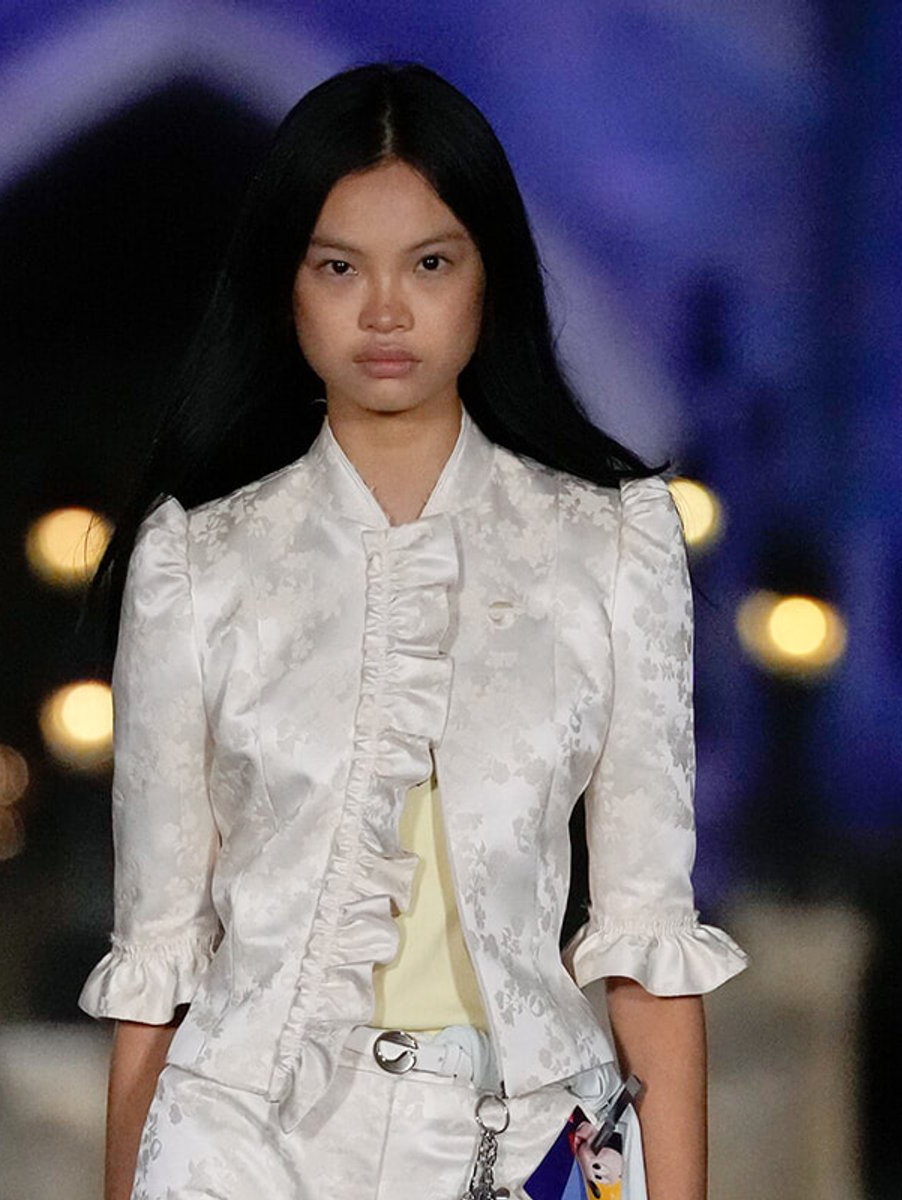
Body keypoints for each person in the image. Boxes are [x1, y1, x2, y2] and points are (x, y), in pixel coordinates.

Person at [78, 61, 748, 1200]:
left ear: (490, 277)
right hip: (239, 1143)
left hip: (527, 1140)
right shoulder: (196, 562)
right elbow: (157, 959)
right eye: (338, 267)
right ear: (286, 286)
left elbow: (650, 942)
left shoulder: (610, 545)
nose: (384, 310)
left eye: (431, 263)